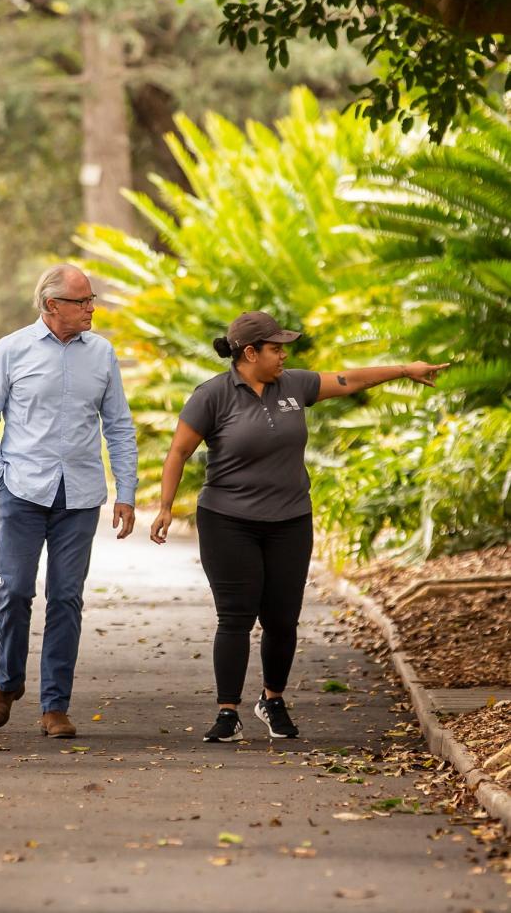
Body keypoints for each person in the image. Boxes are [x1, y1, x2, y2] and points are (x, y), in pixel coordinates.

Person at [149, 310, 448, 744]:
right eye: (276, 348)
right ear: (249, 353)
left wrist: (404, 370)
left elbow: (350, 380)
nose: (284, 354)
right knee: (235, 616)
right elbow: (178, 451)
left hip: (289, 519)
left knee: (282, 618)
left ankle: (272, 700)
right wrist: (164, 506)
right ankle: (227, 712)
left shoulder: (295, 385)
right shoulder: (212, 395)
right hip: (227, 520)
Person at [0, 264, 138, 738]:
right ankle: (7, 682)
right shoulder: (10, 350)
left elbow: (119, 426)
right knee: (15, 589)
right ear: (50, 306)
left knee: (66, 597)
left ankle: (55, 705)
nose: (91, 308)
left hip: (80, 496)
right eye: (82, 301)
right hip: (22, 491)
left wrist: (126, 491)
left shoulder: (102, 354)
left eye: (91, 299)